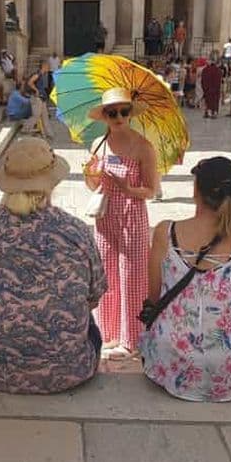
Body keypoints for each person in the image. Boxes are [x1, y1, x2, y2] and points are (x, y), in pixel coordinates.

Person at [0, 137, 107, 394]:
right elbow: (94, 297)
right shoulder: (75, 230)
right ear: (52, 181)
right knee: (91, 324)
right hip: (71, 371)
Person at [141, 157, 231, 402]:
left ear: (196, 190)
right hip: (230, 366)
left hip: (172, 358)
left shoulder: (166, 232)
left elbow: (153, 295)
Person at [83, 88, 158, 357]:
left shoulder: (143, 147)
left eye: (124, 111)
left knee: (133, 274)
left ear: (130, 113)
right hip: (105, 215)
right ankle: (110, 332)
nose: (118, 116)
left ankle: (134, 336)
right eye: (112, 112)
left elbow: (152, 190)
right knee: (108, 273)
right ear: (104, 115)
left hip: (132, 216)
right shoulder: (99, 145)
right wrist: (90, 174)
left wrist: (128, 189)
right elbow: (93, 185)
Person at [26, 60, 53, 137]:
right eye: (48, 66)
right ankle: (26, 128)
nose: (49, 67)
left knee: (45, 116)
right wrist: (36, 90)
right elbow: (30, 82)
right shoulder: (37, 74)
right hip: (37, 98)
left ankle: (48, 133)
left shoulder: (42, 75)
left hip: (42, 98)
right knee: (36, 115)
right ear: (44, 66)